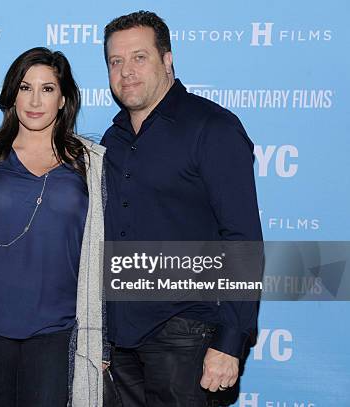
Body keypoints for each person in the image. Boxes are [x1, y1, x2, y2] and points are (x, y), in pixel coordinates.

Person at [101, 11, 263, 406]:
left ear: (167, 60)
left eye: (139, 57)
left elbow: (242, 240)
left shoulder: (212, 128)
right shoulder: (113, 138)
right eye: (115, 61)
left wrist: (229, 342)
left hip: (188, 334)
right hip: (120, 341)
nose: (126, 71)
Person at [0, 47, 107, 407]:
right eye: (25, 87)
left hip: (57, 332)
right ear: (12, 94)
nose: (35, 100)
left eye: (48, 89)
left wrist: (105, 338)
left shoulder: (92, 164)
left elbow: (107, 248)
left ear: (64, 98)